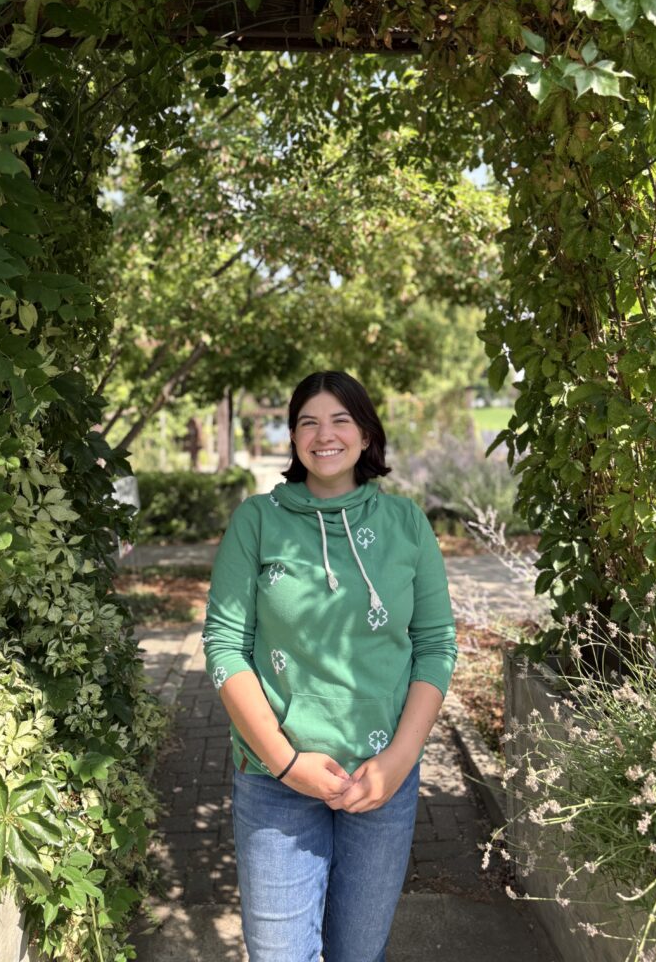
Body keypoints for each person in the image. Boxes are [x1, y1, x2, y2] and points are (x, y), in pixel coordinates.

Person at [203, 371, 457, 962]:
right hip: (274, 780)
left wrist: (396, 763)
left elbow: (436, 645)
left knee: (357, 953)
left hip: (381, 781)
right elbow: (224, 647)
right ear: (292, 438)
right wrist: (287, 762)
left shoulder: (407, 525)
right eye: (308, 422)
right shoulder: (256, 521)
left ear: (366, 434)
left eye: (341, 420)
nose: (325, 435)